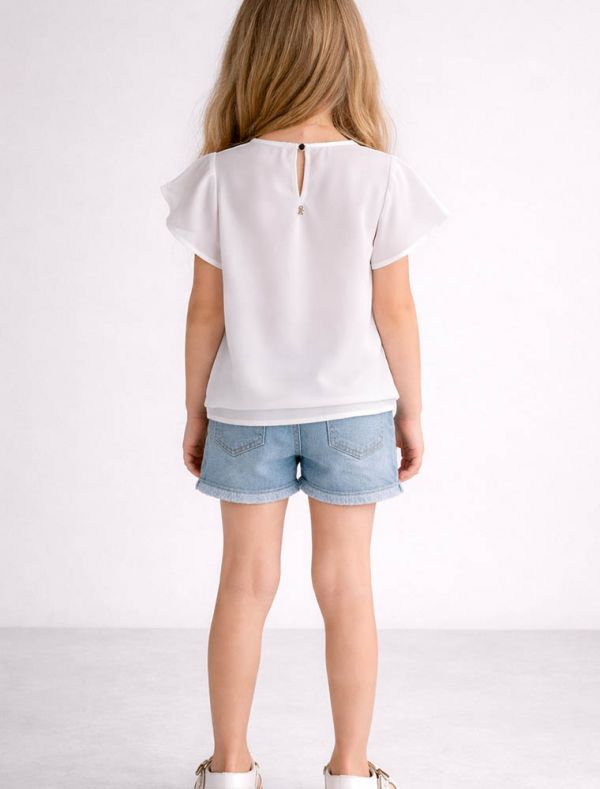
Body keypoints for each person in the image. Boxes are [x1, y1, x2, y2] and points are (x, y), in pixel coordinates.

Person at [160, 1, 448, 788]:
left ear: (252, 55)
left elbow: (205, 311)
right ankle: (351, 771)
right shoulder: (380, 175)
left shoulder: (219, 175)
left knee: (244, 582)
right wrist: (412, 408)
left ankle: (229, 767)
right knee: (347, 585)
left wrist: (194, 408)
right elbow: (395, 309)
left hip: (244, 411)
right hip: (354, 409)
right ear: (347, 56)